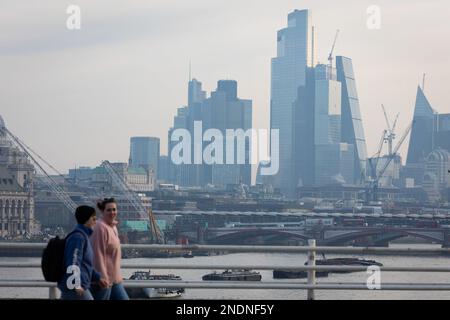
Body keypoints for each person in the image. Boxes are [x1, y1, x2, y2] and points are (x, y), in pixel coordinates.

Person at [57, 205, 108, 300]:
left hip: (78, 285)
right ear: (87, 219)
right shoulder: (78, 238)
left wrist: (98, 278)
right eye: (93, 219)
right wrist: (76, 285)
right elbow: (73, 262)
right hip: (73, 287)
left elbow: (85, 265)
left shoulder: (83, 236)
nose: (95, 222)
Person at [91, 198, 129, 300]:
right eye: (108, 210)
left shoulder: (113, 226)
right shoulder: (100, 227)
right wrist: (102, 277)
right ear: (102, 211)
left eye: (114, 209)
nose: (112, 212)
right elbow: (97, 254)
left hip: (115, 279)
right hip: (104, 281)